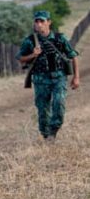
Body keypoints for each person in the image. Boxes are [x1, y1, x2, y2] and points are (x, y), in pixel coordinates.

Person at [17, 10, 80, 140]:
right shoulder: (30, 41)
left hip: (59, 78)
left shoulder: (59, 38)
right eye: (36, 21)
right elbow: (21, 58)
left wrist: (76, 77)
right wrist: (33, 55)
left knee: (59, 103)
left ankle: (53, 131)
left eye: (42, 21)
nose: (39, 24)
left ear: (49, 22)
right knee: (43, 109)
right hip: (40, 80)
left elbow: (73, 56)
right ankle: (46, 136)